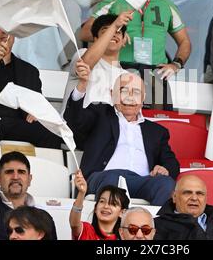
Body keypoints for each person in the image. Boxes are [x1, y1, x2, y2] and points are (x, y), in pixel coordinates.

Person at [64, 69, 180, 206]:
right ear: (112, 94)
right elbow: (74, 121)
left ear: (143, 98)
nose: (130, 97)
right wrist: (82, 85)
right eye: (124, 91)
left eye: (136, 92)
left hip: (141, 181)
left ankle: (157, 225)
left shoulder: (156, 131)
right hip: (104, 177)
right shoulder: (100, 114)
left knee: (166, 184)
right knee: (113, 178)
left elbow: (172, 163)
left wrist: (165, 168)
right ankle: (111, 226)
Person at [80, 0, 191, 109]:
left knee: (159, 120)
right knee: (119, 120)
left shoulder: (165, 3)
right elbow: (85, 33)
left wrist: (176, 64)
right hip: (121, 69)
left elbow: (185, 42)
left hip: (155, 72)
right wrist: (114, 32)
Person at [62, 12, 132, 111]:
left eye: (118, 32)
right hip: (75, 125)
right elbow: (86, 63)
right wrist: (115, 25)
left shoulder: (126, 76)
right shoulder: (82, 54)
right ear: (96, 39)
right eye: (106, 32)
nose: (113, 34)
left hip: (108, 126)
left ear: (123, 40)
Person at [154, 174, 213, 240]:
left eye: (199, 193)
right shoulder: (157, 226)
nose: (194, 198)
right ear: (174, 197)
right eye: (187, 193)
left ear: (206, 198)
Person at [70, 171, 129, 240]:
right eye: (102, 201)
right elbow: (74, 224)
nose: (106, 206)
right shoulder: (86, 230)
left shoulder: (125, 237)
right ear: (95, 208)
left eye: (113, 203)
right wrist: (81, 192)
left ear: (122, 212)